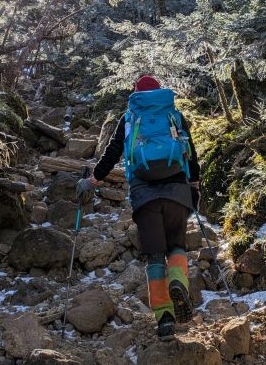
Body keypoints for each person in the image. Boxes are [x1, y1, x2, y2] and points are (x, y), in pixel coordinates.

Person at [78, 75, 200, 340]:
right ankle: (178, 280)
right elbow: (190, 150)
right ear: (159, 92)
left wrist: (93, 180)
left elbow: (112, 152)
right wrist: (195, 185)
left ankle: (165, 319)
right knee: (177, 245)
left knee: (155, 256)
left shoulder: (130, 117)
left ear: (135, 93)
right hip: (177, 189)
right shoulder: (173, 115)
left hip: (144, 194)